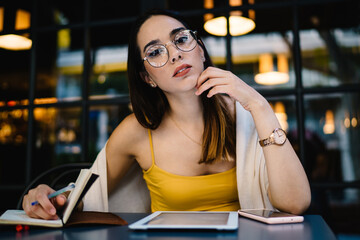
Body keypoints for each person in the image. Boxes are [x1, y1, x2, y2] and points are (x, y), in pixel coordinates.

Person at [22, 9, 311, 220]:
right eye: (156, 52)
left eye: (181, 40)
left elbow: (296, 204)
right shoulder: (136, 131)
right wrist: (45, 198)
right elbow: (85, 197)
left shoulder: (244, 112)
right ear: (147, 77)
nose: (175, 54)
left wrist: (259, 105)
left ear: (199, 50)